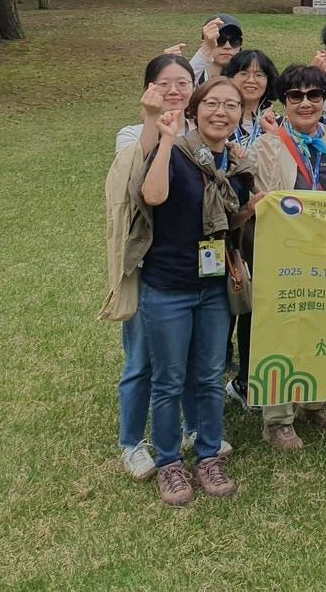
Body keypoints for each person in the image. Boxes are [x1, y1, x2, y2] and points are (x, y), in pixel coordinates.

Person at [130, 77, 257, 505]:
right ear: (195, 109)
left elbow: (227, 221)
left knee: (208, 377)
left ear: (241, 115)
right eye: (213, 104)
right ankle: (169, 463)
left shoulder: (235, 168)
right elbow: (153, 195)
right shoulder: (178, 153)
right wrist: (166, 140)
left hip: (214, 289)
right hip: (168, 286)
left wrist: (250, 211)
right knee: (168, 380)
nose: (221, 112)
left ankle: (207, 456)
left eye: (231, 106)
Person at [104, 54, 213, 482]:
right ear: (148, 87)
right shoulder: (132, 132)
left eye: (183, 82)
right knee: (142, 361)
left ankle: (190, 428)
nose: (174, 90)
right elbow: (138, 183)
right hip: (150, 263)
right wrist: (152, 119)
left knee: (186, 357)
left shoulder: (202, 130)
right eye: (165, 82)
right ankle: (132, 442)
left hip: (194, 263)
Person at [246, 63, 326, 447]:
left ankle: (315, 400)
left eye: (315, 95)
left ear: (325, 99)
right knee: (283, 331)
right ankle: (277, 418)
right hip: (286, 257)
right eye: (296, 96)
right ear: (284, 101)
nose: (306, 103)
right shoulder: (267, 146)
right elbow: (262, 202)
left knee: (324, 327)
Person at [221, 49, 277, 413]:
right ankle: (214, 377)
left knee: (255, 304)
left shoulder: (275, 121)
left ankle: (245, 380)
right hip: (226, 228)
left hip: (264, 232)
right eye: (244, 72)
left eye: (259, 74)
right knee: (222, 304)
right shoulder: (218, 118)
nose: (252, 80)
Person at [184, 14, 242, 85]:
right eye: (220, 40)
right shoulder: (196, 76)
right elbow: (184, 83)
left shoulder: (246, 80)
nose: (228, 46)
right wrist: (206, 49)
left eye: (234, 41)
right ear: (204, 44)